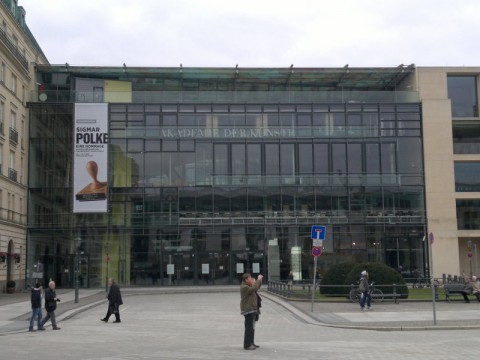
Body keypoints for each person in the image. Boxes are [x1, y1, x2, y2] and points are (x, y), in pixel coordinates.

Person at [240, 273, 263, 350]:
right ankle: (247, 345)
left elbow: (256, 287)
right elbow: (254, 288)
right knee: (248, 328)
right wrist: (258, 280)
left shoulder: (249, 286)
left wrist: (260, 281)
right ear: (246, 280)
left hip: (252, 309)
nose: (252, 279)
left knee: (252, 328)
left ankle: (251, 343)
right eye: (250, 278)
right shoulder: (244, 287)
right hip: (247, 309)